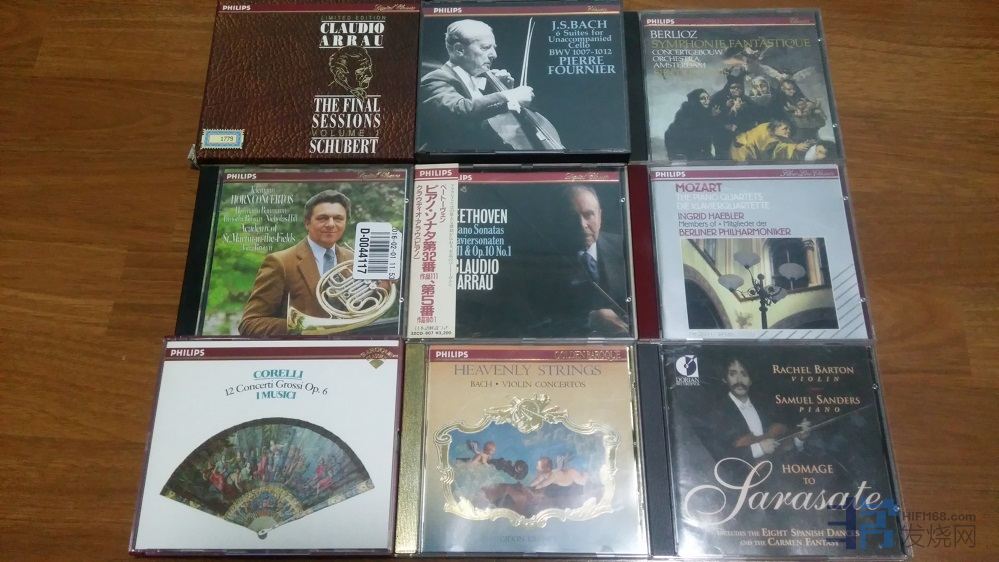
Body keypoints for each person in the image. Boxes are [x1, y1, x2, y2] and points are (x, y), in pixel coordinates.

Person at [238, 190, 354, 336]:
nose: (331, 224)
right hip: (302, 349)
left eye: (338, 218)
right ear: (307, 223)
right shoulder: (280, 262)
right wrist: (300, 327)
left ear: (345, 222)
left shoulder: (353, 259)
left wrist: (380, 288)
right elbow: (250, 323)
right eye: (322, 218)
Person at [418, 19, 537, 151]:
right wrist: (508, 95)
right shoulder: (435, 79)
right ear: (459, 50)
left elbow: (488, 134)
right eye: (485, 47)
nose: (494, 55)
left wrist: (504, 91)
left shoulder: (477, 85)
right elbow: (461, 110)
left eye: (494, 48)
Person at [700, 358, 810, 465]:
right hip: (743, 476)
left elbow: (783, 447)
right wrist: (759, 448)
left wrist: (799, 439)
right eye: (733, 374)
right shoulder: (716, 412)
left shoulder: (765, 405)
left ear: (750, 380)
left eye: (744, 374)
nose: (739, 380)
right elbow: (717, 455)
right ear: (725, 379)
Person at [561, 185, 630, 336]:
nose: (582, 224)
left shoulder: (625, 248)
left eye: (588, 215)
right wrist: (589, 320)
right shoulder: (545, 259)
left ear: (600, 216)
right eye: (573, 217)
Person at [709, 80, 758, 160]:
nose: (736, 89)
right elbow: (715, 118)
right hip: (723, 136)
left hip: (741, 135)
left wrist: (743, 109)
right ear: (729, 89)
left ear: (742, 89)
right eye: (733, 87)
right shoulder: (720, 99)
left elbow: (754, 116)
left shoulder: (748, 101)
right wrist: (726, 107)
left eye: (738, 87)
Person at [663, 88, 714, 161]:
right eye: (703, 98)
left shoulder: (706, 112)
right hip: (681, 150)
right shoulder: (686, 113)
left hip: (697, 151)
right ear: (696, 100)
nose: (707, 100)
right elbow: (691, 134)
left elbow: (707, 135)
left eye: (708, 98)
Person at [730, 119, 813, 162]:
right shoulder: (763, 132)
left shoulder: (776, 133)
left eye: (789, 129)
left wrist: (797, 146)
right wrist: (795, 147)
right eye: (785, 128)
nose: (788, 131)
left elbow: (785, 143)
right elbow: (778, 147)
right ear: (775, 128)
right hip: (741, 150)